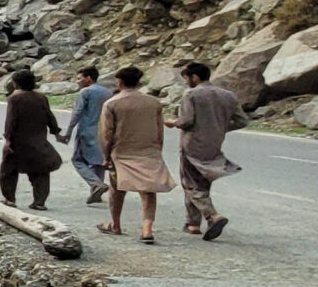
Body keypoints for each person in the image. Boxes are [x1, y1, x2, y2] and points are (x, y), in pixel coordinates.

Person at [169, 60, 248, 241]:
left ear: (195, 77)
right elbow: (242, 121)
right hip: (214, 144)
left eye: (187, 78)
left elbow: (186, 121)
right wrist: (220, 127)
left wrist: (173, 122)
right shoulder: (228, 95)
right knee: (202, 182)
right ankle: (192, 223)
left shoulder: (191, 95)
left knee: (190, 183)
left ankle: (212, 215)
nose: (187, 82)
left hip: (192, 144)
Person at [98, 65, 173, 244]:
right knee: (148, 190)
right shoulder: (153, 103)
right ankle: (147, 229)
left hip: (121, 152)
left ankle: (115, 224)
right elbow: (159, 130)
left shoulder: (112, 104)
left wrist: (106, 156)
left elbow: (107, 134)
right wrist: (158, 150)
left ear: (119, 82)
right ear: (139, 82)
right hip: (149, 151)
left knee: (117, 189)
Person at [0, 69, 64, 210]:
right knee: (40, 171)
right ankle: (39, 202)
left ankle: (9, 199)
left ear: (15, 83)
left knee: (8, 171)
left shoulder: (15, 98)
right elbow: (49, 116)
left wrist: (8, 140)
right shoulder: (41, 98)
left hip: (18, 142)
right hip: (38, 141)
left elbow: (11, 121)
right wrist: (56, 132)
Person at [64, 66, 113, 204]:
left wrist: (68, 131)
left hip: (87, 130)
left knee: (77, 160)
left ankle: (96, 184)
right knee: (98, 162)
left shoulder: (86, 92)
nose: (77, 81)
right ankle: (96, 193)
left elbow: (77, 112)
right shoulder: (107, 92)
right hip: (104, 131)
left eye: (79, 78)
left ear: (88, 78)